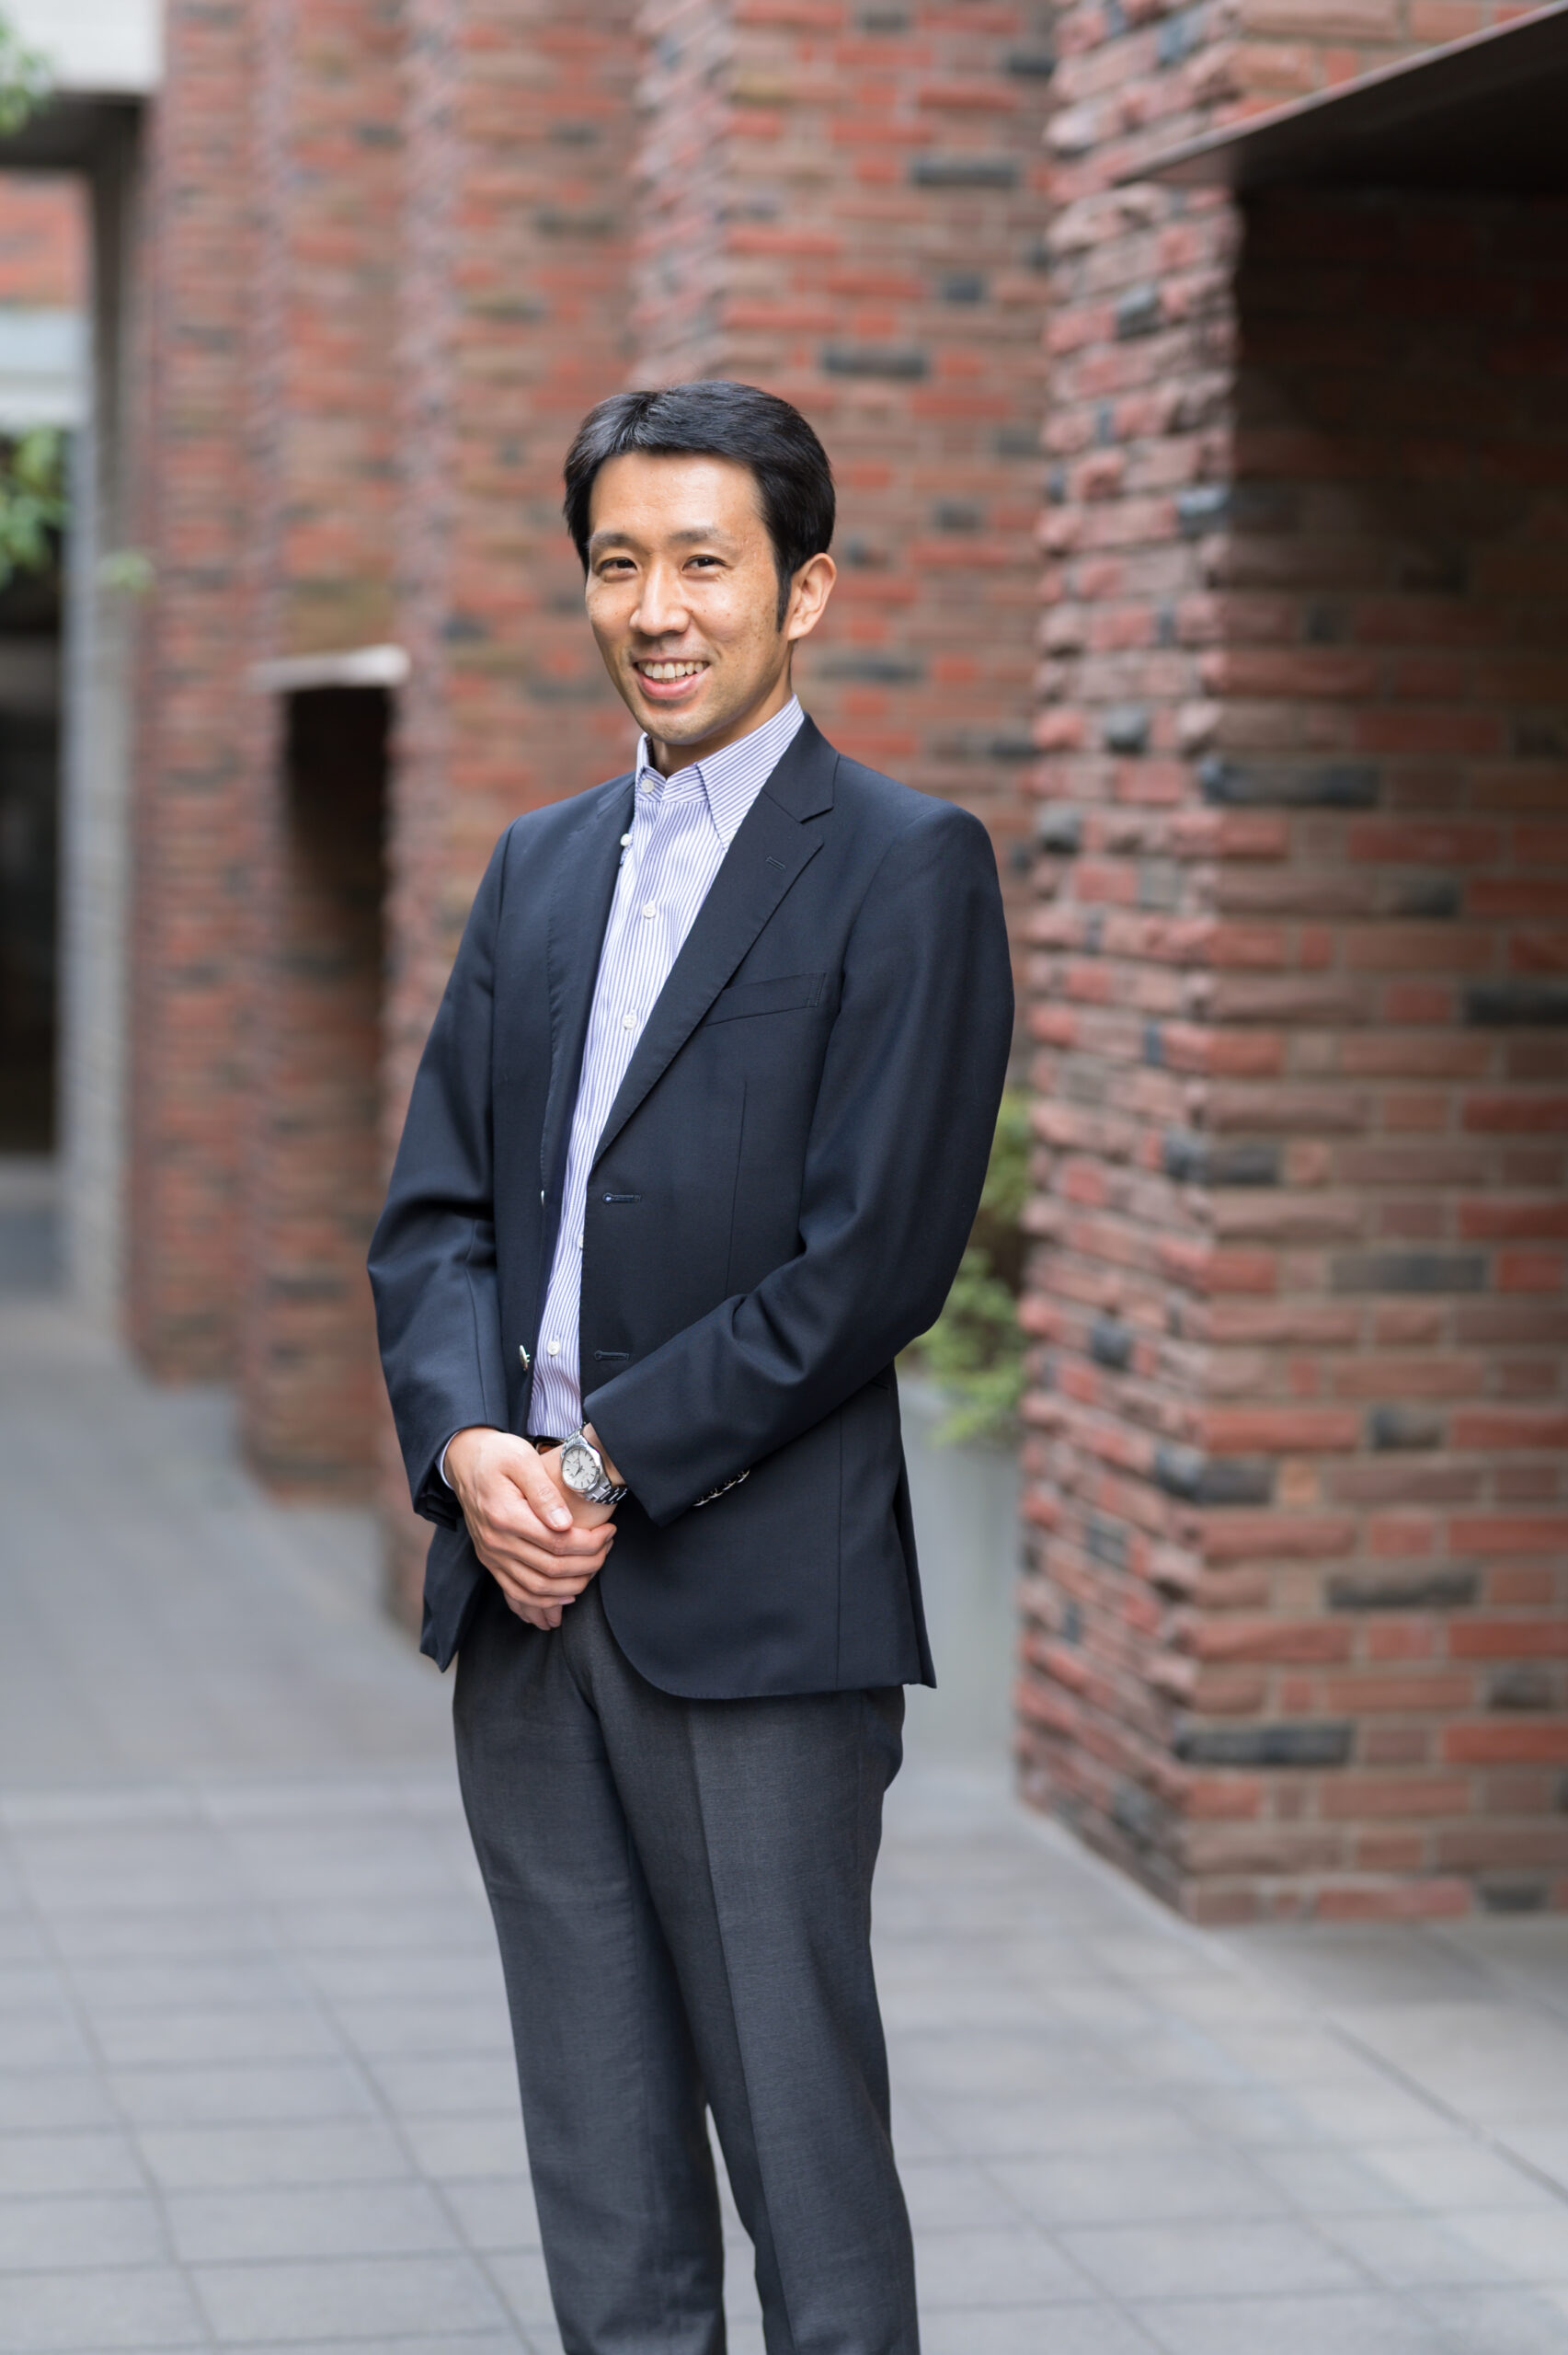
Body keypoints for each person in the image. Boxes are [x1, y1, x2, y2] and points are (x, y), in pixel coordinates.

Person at [369, 379, 1013, 2355]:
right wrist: (471, 1444)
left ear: (802, 590)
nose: (656, 607)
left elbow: (871, 1264)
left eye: (704, 563)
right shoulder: (538, 866)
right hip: (523, 1611)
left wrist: (600, 1464)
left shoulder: (903, 865)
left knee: (805, 2180)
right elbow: (437, 1211)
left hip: (753, 1617)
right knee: (604, 2183)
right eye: (617, 562)